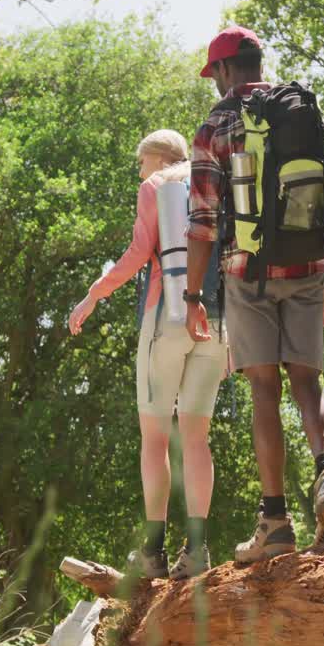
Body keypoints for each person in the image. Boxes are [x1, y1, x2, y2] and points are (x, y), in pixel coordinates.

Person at [183, 26, 324, 564]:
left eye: (215, 75)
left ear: (228, 70)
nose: (214, 85)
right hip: (307, 263)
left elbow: (203, 223)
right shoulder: (305, 112)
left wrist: (193, 298)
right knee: (308, 380)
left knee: (264, 389)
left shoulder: (216, 126)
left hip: (247, 270)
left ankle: (274, 521)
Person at [68, 129, 227, 580]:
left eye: (142, 161)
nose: (140, 170)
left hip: (167, 318)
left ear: (160, 158)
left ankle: (153, 552)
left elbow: (140, 252)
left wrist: (94, 294)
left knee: (155, 438)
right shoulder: (213, 183)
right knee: (197, 439)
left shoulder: (155, 188)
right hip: (215, 322)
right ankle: (197, 551)